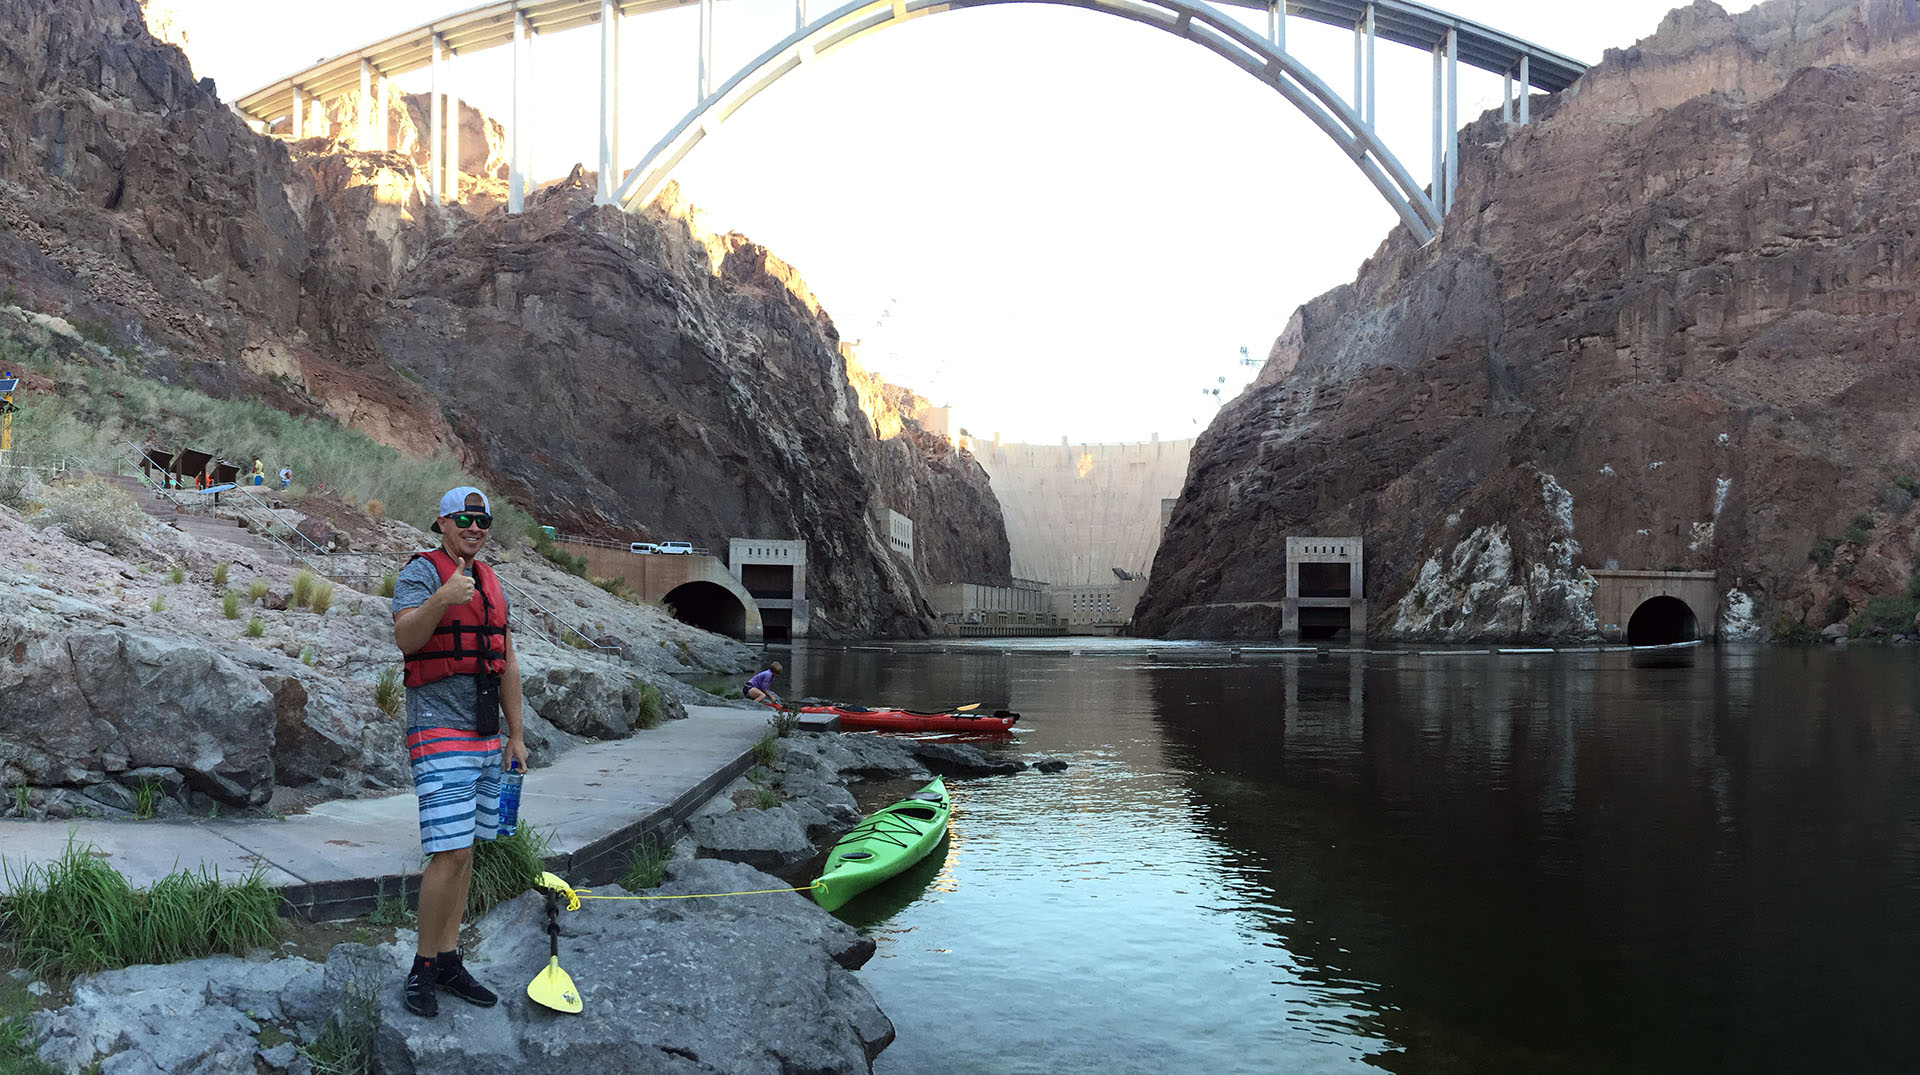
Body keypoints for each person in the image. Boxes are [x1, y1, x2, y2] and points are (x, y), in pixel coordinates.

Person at [390, 486, 527, 1018]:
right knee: (447, 852)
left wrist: (515, 735)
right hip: (438, 727)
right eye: (465, 518)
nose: (476, 527)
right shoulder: (421, 573)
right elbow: (406, 638)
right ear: (442, 522)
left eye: (484, 520)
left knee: (467, 849)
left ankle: (448, 958)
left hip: (486, 733)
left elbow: (507, 662)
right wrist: (442, 599)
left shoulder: (494, 584)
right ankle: (424, 966)